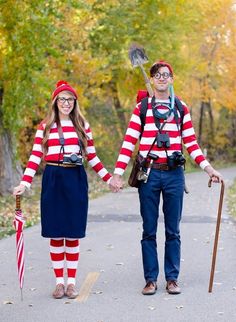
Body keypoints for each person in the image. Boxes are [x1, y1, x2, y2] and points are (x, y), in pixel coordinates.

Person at [109, 60, 222, 295]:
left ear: (171, 79)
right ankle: (151, 279)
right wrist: (117, 174)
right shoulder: (142, 108)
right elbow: (129, 143)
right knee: (148, 230)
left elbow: (191, 144)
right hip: (148, 174)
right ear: (152, 79)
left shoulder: (180, 108)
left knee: (173, 230)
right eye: (157, 75)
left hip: (174, 176)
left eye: (166, 74)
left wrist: (209, 169)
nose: (161, 78)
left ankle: (172, 279)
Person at [13, 80, 112, 299]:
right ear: (55, 101)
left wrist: (108, 179)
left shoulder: (82, 125)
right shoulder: (45, 126)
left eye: (70, 99)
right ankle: (59, 282)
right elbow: (35, 157)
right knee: (56, 233)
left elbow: (92, 157)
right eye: (62, 99)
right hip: (53, 178)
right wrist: (25, 183)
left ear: (75, 102)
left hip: (75, 178)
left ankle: (71, 283)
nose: (66, 103)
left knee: (72, 232)